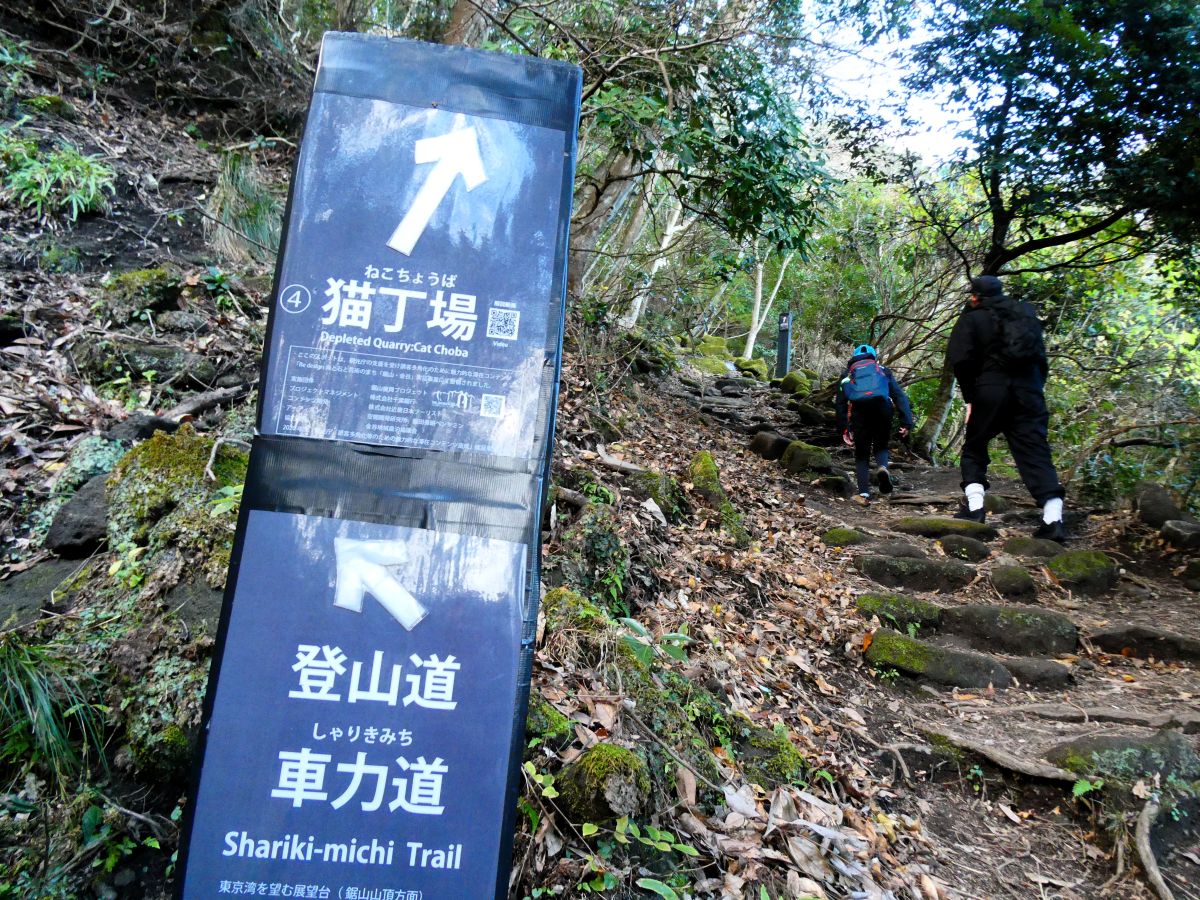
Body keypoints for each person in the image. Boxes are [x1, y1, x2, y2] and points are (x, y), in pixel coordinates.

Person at [946, 274, 1067, 541]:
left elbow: (962, 361)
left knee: (975, 446)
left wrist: (970, 398)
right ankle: (1053, 518)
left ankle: (975, 509)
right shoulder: (1025, 317)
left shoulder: (973, 318)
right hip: (1030, 391)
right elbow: (1041, 360)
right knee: (1035, 452)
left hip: (991, 389)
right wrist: (1034, 390)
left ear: (975, 296)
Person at [835, 343, 914, 504]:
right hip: (883, 409)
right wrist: (906, 422)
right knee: (881, 445)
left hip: (860, 412)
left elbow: (840, 404)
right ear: (874, 357)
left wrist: (844, 429)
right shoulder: (883, 371)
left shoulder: (848, 374)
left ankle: (864, 493)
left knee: (862, 454)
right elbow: (899, 396)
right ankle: (883, 467)